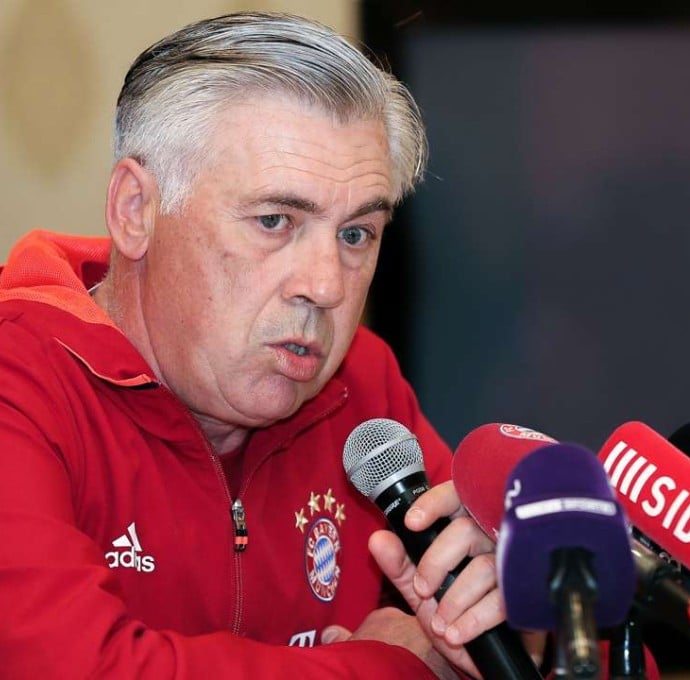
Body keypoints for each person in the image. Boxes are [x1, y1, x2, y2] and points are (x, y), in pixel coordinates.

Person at [0, 11, 535, 679]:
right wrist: (390, 669)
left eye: (355, 235)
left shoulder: (362, 390)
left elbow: (545, 649)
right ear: (136, 211)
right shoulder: (19, 377)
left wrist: (533, 623)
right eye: (275, 221)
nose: (327, 288)